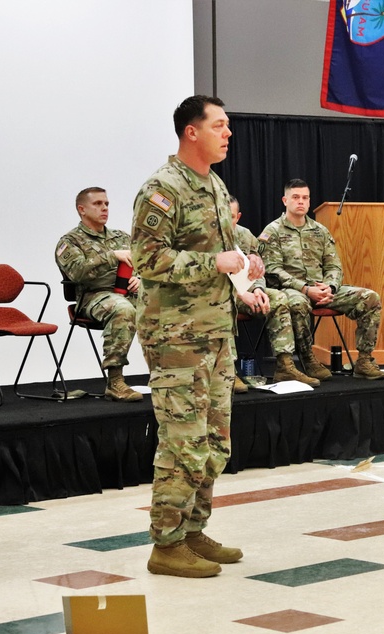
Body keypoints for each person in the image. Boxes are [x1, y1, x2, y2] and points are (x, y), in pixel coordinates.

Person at [131, 95, 267, 578]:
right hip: (176, 339)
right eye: (220, 125)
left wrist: (246, 268)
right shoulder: (161, 189)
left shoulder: (212, 183)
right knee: (182, 443)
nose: (228, 133)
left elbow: (223, 248)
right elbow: (146, 261)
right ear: (192, 131)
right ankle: (165, 546)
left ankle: (192, 532)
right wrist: (215, 263)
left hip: (216, 332)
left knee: (214, 442)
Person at [258, 178, 384, 381]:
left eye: (305, 198)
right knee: (297, 303)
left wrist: (331, 287)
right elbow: (272, 270)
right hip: (292, 290)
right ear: (285, 200)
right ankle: (309, 360)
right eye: (296, 197)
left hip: (323, 290)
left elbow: (334, 265)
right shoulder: (272, 231)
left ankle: (364, 360)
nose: (301, 202)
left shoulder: (320, 231)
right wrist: (306, 289)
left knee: (370, 297)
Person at [55, 187, 143, 402]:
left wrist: (141, 278)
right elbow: (76, 272)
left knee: (173, 304)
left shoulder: (121, 237)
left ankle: (174, 377)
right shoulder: (70, 242)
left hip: (129, 293)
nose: (104, 208)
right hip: (94, 298)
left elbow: (147, 263)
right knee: (122, 309)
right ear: (81, 209)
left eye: (106, 204)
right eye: (98, 204)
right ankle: (115, 381)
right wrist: (112, 256)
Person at [229, 196, 319, 389]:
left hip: (248, 292)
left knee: (278, 297)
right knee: (222, 304)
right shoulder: (206, 238)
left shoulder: (246, 236)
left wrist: (259, 289)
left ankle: (285, 365)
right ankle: (227, 371)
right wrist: (238, 294)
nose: (227, 222)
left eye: (231, 217)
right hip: (222, 295)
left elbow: (258, 268)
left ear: (238, 216)